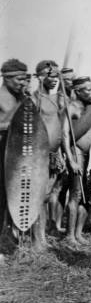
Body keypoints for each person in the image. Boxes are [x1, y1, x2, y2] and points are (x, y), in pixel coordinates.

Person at [32, 61, 67, 246]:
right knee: (39, 196)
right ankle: (37, 240)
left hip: (54, 154)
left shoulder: (57, 99)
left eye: (55, 76)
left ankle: (42, 237)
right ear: (39, 77)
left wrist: (59, 152)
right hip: (39, 155)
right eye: (49, 75)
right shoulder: (34, 99)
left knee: (45, 197)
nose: (53, 80)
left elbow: (59, 129)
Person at [62, 77, 91, 246]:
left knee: (87, 196)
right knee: (76, 194)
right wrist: (71, 160)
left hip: (90, 154)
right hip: (77, 154)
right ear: (77, 91)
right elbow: (65, 136)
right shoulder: (72, 107)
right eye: (87, 90)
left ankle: (78, 233)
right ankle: (69, 236)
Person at [0, 59, 30, 253]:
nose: (22, 83)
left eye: (24, 79)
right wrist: (11, 123)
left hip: (14, 154)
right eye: (19, 79)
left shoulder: (21, 97)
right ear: (7, 78)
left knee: (8, 198)